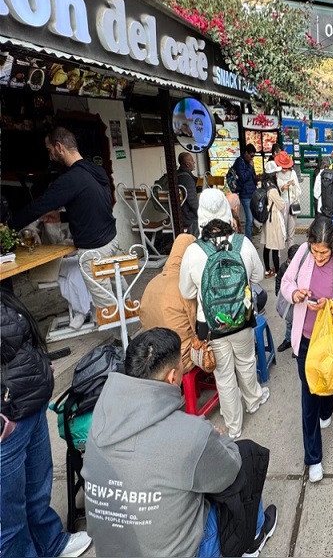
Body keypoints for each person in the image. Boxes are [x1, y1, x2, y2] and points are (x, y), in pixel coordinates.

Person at [81, 328, 277, 557]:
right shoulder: (189, 433)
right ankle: (254, 537)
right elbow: (230, 469)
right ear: (172, 377)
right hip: (182, 552)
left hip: (112, 551)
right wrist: (216, 439)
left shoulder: (101, 420)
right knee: (245, 457)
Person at [1, 289, 93, 558]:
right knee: (9, 519)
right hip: (7, 423)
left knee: (37, 491)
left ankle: (50, 542)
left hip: (31, 404)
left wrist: (41, 363)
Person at [179, 189, 268, 439]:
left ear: (202, 215)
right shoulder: (243, 243)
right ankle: (253, 401)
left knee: (224, 375)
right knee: (246, 362)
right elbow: (259, 276)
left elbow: (186, 291)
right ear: (227, 212)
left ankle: (234, 426)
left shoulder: (193, 251)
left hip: (210, 327)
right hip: (242, 320)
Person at [10, 127, 120, 314]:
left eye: (49, 150)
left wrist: (8, 227)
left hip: (94, 251)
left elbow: (39, 207)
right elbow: (98, 206)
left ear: (59, 147)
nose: (50, 156)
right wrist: (61, 216)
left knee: (107, 309)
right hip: (112, 242)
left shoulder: (70, 179)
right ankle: (128, 325)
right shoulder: (96, 170)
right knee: (120, 294)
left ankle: (118, 332)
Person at [280, 216, 333, 482]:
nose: (319, 257)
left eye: (324, 252)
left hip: (329, 340)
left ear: (332, 246)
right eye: (315, 251)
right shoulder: (303, 253)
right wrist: (295, 294)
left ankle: (327, 409)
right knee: (309, 396)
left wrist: (329, 304)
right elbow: (286, 283)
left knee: (328, 384)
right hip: (305, 339)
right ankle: (313, 458)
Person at [139, 233, 197, 373]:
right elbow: (197, 324)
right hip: (180, 357)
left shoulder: (152, 282)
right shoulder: (186, 285)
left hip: (153, 356)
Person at [259, 161, 286, 278]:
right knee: (275, 246)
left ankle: (267, 270)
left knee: (267, 245)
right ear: (273, 174)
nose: (277, 174)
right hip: (273, 219)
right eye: (276, 172)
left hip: (266, 218)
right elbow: (281, 205)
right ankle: (277, 272)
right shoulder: (273, 189)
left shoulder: (264, 184)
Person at [275, 243, 301, 353]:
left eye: (292, 263)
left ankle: (297, 345)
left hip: (299, 303)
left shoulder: (303, 270)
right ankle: (288, 339)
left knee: (298, 324)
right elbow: (278, 279)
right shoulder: (283, 267)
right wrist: (278, 292)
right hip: (287, 301)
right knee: (288, 322)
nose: (290, 265)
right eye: (289, 262)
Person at [274, 150, 300, 248]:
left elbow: (298, 191)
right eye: (282, 167)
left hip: (292, 203)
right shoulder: (276, 174)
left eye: (286, 167)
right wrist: (282, 188)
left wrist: (293, 185)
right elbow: (274, 192)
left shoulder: (293, 173)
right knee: (281, 229)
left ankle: (291, 251)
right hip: (281, 204)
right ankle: (279, 251)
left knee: (291, 230)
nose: (284, 170)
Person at [233, 144, 258, 238]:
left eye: (253, 156)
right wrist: (251, 167)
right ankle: (248, 240)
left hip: (252, 193)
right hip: (245, 194)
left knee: (251, 218)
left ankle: (249, 237)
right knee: (249, 219)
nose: (252, 158)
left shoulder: (248, 162)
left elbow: (252, 177)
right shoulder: (240, 162)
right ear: (246, 153)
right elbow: (243, 177)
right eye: (251, 155)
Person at [176, 152, 200, 236]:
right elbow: (193, 203)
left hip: (175, 216)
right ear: (187, 164)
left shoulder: (176, 175)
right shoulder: (187, 179)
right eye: (192, 160)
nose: (194, 162)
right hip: (187, 218)